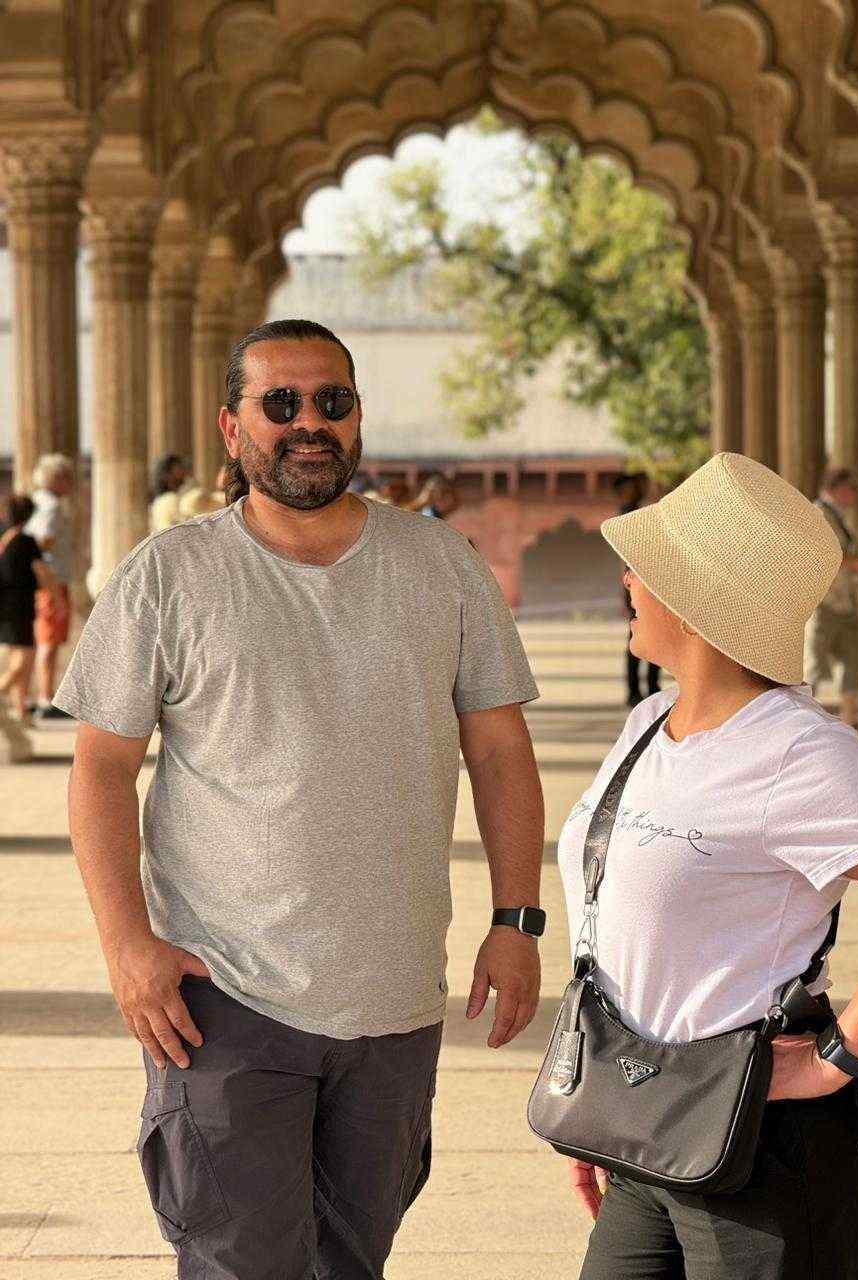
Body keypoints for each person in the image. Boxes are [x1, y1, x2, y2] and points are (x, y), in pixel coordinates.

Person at [52, 318, 545, 1280]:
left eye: (333, 402)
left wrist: (516, 919)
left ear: (359, 420)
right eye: (280, 404)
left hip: (395, 1000)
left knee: (354, 1264)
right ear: (233, 430)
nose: (308, 423)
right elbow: (101, 769)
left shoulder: (440, 565)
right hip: (221, 997)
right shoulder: (172, 574)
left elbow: (499, 749)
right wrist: (125, 946)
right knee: (243, 1265)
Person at [557, 452, 858, 1280]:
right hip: (653, 1118)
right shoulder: (649, 719)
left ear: (696, 603)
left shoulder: (798, 752)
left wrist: (835, 1060)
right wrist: (608, 1106)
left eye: (649, 568)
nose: (628, 578)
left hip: (767, 1146)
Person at [807, 465, 858, 741]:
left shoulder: (839, 515)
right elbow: (825, 554)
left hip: (844, 602)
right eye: (852, 488)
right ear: (837, 488)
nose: (856, 495)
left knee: (853, 659)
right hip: (824, 600)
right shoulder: (820, 513)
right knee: (814, 662)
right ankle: (800, 724)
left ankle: (851, 720)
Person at [23, 453, 74, 721]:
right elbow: (42, 541)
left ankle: (35, 695)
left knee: (44, 638)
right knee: (49, 641)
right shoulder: (52, 506)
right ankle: (45, 697)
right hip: (52, 580)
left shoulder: (37, 502)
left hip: (45, 580)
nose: (71, 483)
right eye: (67, 476)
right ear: (56, 479)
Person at [0, 494, 57, 720]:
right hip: (18, 606)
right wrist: (57, 599)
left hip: (6, 606)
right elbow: (42, 571)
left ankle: (22, 713)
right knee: (25, 657)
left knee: (18, 657)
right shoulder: (26, 541)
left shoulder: (5, 539)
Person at [614, 472, 660, 706]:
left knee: (652, 634)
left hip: (643, 584)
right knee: (642, 636)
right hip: (640, 586)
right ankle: (639, 689)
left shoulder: (634, 510)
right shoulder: (629, 514)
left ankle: (648, 687)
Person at [149, 454, 190, 533]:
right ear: (167, 475)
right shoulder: (169, 499)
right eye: (178, 469)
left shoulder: (159, 500)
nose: (184, 472)